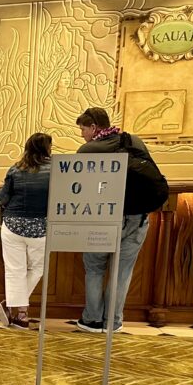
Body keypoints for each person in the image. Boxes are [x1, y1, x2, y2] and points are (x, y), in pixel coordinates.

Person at [75, 107, 152, 333]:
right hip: (137, 217)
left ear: (93, 127)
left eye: (82, 129)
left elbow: (81, 188)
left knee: (95, 269)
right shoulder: (133, 141)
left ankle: (92, 320)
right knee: (122, 271)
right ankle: (113, 322)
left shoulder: (88, 151)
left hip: (102, 217)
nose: (82, 134)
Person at [0, 133, 52, 329]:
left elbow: (3, 198)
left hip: (13, 225)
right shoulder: (56, 171)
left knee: (14, 271)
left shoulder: (16, 169)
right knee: (37, 269)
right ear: (48, 148)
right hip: (41, 227)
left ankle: (16, 310)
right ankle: (19, 312)